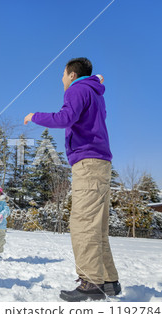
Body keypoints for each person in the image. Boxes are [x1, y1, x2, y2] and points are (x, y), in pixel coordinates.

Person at [24, 57, 120, 301]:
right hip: (100, 162)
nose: (62, 80)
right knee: (97, 227)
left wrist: (35, 115)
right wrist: (94, 80)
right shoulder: (94, 91)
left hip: (88, 162)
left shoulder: (77, 89)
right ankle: (108, 282)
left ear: (72, 75)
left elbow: (64, 118)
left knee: (83, 224)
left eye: (63, 75)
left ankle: (91, 283)